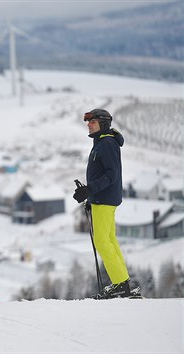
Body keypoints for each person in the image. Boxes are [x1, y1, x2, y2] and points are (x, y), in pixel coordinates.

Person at [73, 108, 138, 299]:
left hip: (104, 199)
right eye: (88, 122)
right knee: (109, 241)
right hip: (102, 199)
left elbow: (111, 175)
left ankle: (120, 284)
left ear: (103, 124)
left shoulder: (107, 144)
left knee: (102, 241)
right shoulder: (102, 142)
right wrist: (90, 198)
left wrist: (90, 190)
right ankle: (123, 283)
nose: (88, 125)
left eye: (92, 122)